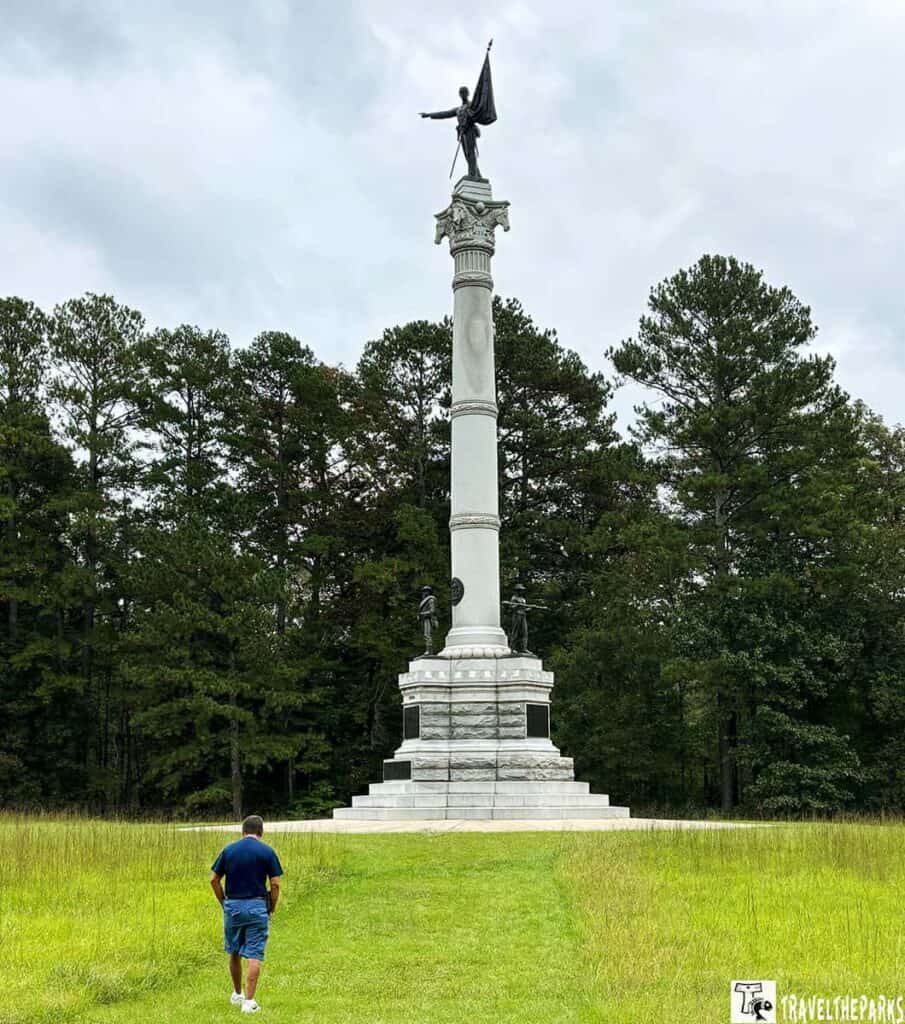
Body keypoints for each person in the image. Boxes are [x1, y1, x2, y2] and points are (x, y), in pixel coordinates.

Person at [210, 815, 283, 1014]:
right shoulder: (267, 851)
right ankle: (249, 1002)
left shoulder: (229, 850)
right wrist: (272, 906)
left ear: (243, 831)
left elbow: (214, 880)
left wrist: (224, 902)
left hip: (233, 906)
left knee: (234, 951)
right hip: (257, 905)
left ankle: (237, 993)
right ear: (261, 832)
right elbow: (275, 884)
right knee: (254, 953)